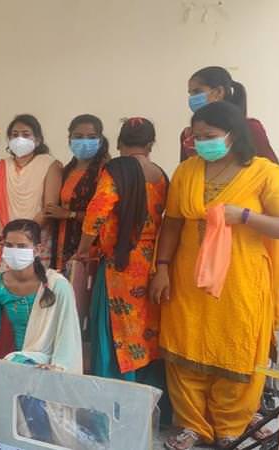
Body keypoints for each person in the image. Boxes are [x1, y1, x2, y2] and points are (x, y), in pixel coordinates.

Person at [151, 101, 279, 450]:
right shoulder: (187, 171)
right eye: (196, 137)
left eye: (209, 136)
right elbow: (172, 222)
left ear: (233, 135)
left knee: (236, 349)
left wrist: (244, 216)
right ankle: (190, 425)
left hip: (240, 280)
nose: (201, 143)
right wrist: (162, 268)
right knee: (185, 346)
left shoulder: (263, 172)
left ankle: (232, 425)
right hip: (186, 277)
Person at [73, 118, 168, 393]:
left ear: (118, 143)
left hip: (120, 264)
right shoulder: (161, 174)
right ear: (150, 145)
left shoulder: (116, 169)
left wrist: (82, 250)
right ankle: (147, 395)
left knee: (116, 331)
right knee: (144, 332)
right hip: (151, 263)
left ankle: (114, 393)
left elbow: (97, 212)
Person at [0, 219, 82, 373]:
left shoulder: (57, 285)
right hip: (21, 360)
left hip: (54, 363)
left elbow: (68, 334)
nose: (14, 250)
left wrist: (58, 367)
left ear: (37, 250)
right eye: (9, 245)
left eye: (22, 246)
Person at [0, 114, 62, 281]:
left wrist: (25, 237)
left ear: (38, 139)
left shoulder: (50, 164)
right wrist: (4, 237)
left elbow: (49, 208)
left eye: (26, 134)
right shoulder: (0, 166)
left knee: (33, 295)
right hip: (2, 239)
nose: (20, 138)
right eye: (14, 134)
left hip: (34, 239)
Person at [44, 115, 109, 270]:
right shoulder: (66, 170)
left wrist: (70, 214)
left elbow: (105, 216)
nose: (84, 141)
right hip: (61, 241)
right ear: (69, 139)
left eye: (91, 137)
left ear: (99, 140)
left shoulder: (105, 170)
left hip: (88, 248)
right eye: (78, 137)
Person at [181, 66, 278, 164]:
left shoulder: (250, 127)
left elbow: (271, 170)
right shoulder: (188, 135)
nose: (192, 98)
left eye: (197, 92)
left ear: (219, 92)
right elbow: (183, 172)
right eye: (190, 94)